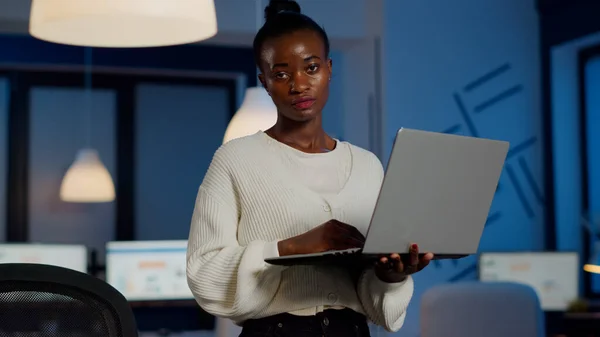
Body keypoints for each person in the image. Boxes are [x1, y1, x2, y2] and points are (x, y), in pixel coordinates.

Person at [186, 1, 434, 336]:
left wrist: (391, 276)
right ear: (265, 81)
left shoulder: (366, 166)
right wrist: (289, 247)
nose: (299, 85)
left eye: (311, 68)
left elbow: (374, 299)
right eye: (282, 74)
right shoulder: (235, 160)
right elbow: (204, 273)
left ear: (329, 69)